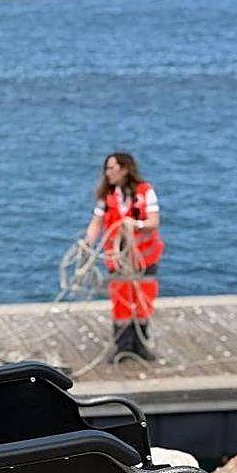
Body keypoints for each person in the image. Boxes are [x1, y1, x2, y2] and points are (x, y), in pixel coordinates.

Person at [83, 152, 164, 361]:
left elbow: (154, 221)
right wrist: (88, 243)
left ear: (125, 169)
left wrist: (135, 224)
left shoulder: (146, 192)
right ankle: (122, 346)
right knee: (121, 301)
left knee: (143, 300)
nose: (107, 173)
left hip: (144, 258)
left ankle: (141, 345)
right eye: (106, 169)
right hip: (118, 259)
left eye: (112, 168)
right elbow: (97, 222)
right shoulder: (106, 196)